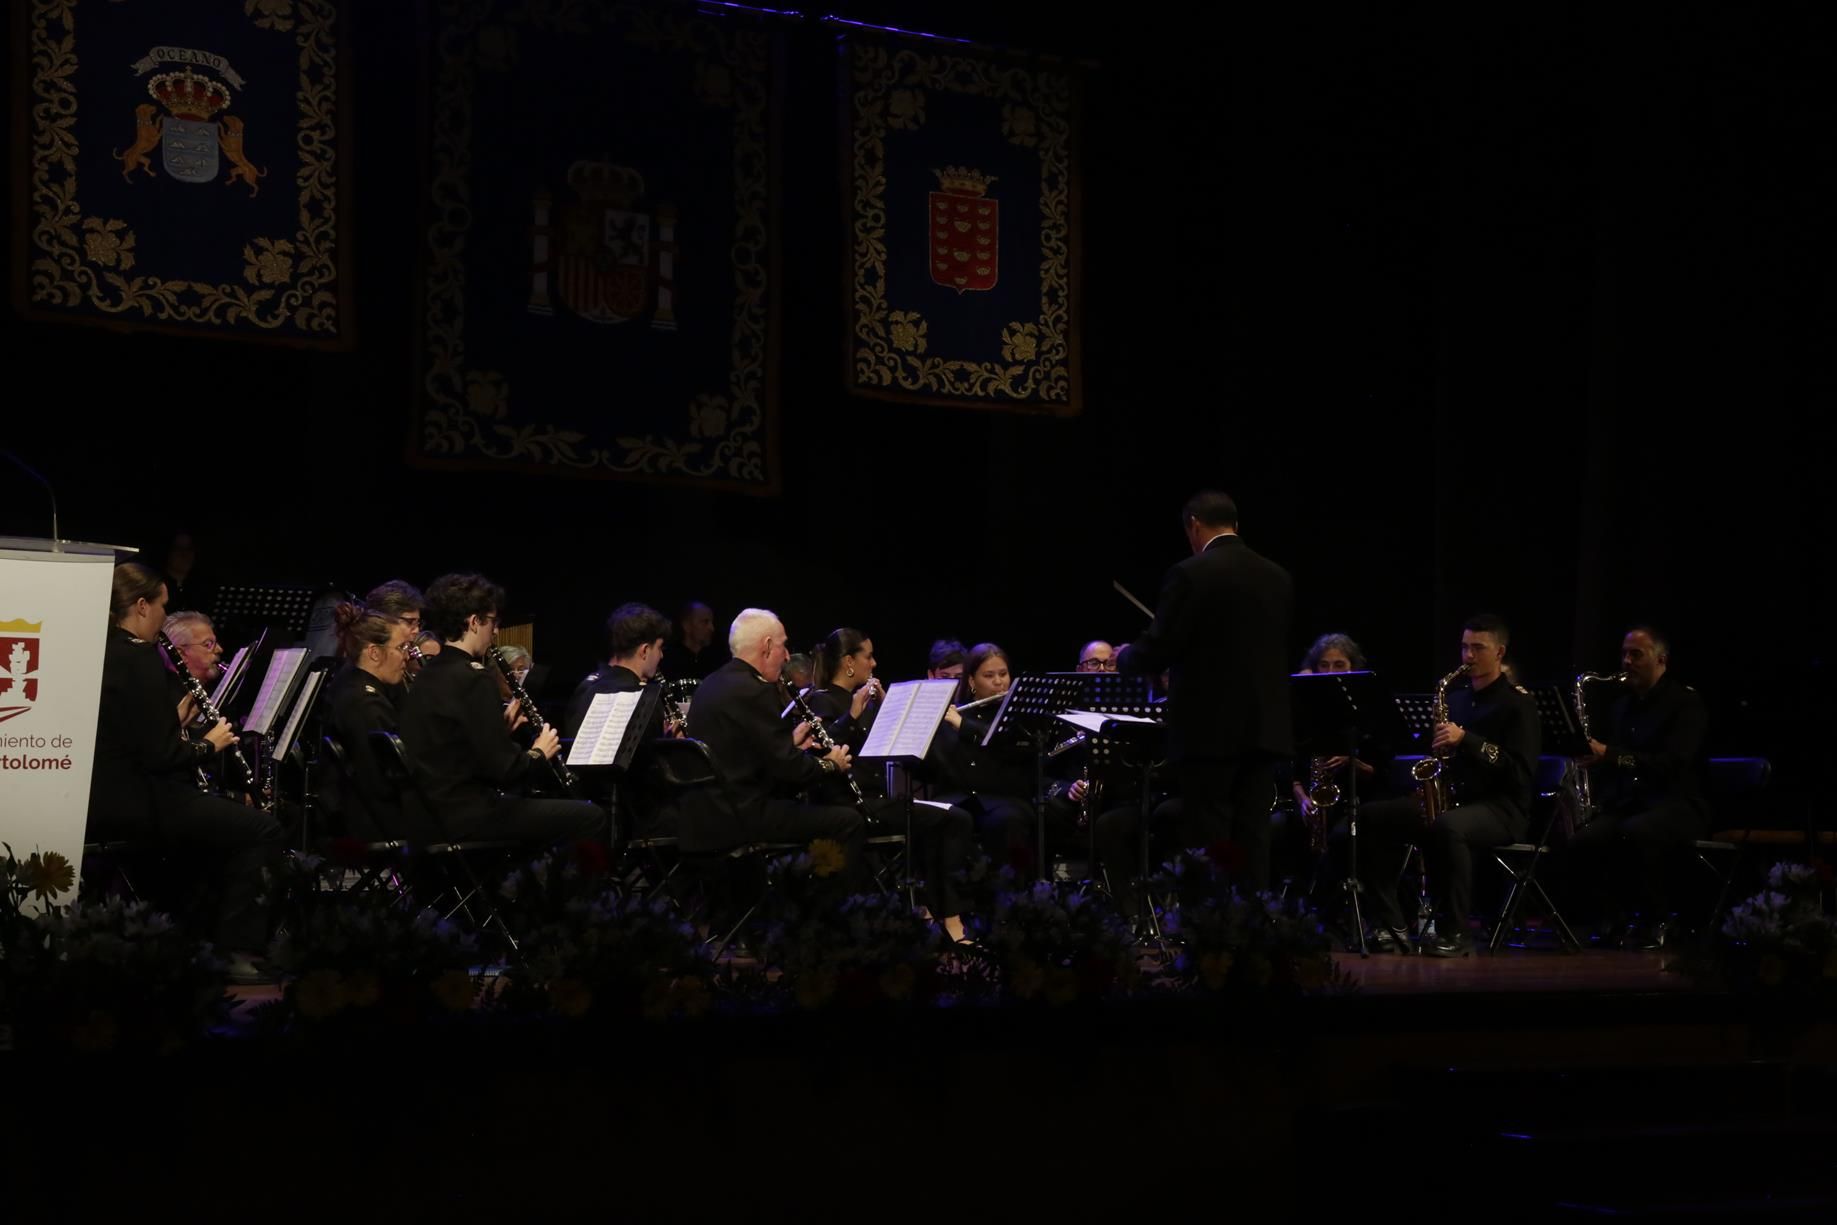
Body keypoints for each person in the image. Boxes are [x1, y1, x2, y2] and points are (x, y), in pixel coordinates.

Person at [86, 563, 282, 982]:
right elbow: (161, 757)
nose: (163, 618)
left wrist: (173, 723)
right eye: (161, 606)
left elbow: (137, 737)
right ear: (141, 606)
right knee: (261, 829)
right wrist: (210, 744)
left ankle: (195, 935)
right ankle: (236, 950)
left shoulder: (105, 651)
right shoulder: (140, 658)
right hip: (142, 798)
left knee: (222, 823)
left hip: (111, 792)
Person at [1117, 490, 1294, 891]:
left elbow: (1162, 644)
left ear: (1194, 525)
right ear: (1236, 525)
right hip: (1265, 727)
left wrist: (1127, 658)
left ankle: (1212, 935)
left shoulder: (1190, 573)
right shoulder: (1277, 576)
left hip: (1208, 731)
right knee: (1253, 834)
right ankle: (1255, 929)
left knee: (1208, 835)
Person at [1357, 615, 1540, 956]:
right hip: (1456, 798)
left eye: (1478, 648)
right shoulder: (1456, 699)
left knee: (1447, 827)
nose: (1468, 656)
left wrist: (1466, 739)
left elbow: (1519, 771)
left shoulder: (1519, 704)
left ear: (1499, 652)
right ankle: (1390, 924)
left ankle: (1456, 931)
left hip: (1502, 808)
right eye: (1464, 647)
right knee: (1372, 817)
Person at [397, 573, 607, 844]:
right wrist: (539, 752)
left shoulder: (426, 674)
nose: (495, 631)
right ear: (474, 622)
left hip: (430, 816)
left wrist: (500, 731)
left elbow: (455, 749)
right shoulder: (474, 677)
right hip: (467, 816)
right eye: (492, 621)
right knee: (591, 817)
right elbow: (505, 771)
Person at [802, 627, 975, 940]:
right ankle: (949, 918)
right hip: (850, 807)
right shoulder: (821, 702)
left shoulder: (865, 703)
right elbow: (821, 759)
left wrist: (888, 708)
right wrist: (852, 716)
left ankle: (934, 911)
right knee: (952, 821)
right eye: (867, 656)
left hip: (878, 800)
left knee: (951, 818)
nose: (874, 663)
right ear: (848, 662)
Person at [683, 609, 865, 879]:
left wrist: (789, 744)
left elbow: (741, 754)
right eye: (783, 646)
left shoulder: (712, 684)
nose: (788, 656)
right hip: (741, 818)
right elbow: (790, 771)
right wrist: (830, 764)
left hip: (703, 818)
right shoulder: (756, 690)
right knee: (848, 822)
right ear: (767, 646)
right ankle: (828, 912)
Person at [1566, 626, 1709, 949]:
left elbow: (1672, 765)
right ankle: (1610, 919)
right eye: (1624, 654)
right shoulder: (1623, 707)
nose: (1627, 661)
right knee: (1583, 840)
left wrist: (1610, 755)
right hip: (1635, 803)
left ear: (1661, 659)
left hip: (1678, 803)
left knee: (1635, 832)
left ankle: (1658, 919)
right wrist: (1597, 763)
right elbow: (1619, 763)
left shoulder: (1685, 703)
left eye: (1636, 654)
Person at [321, 602, 415, 840]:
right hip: (375, 821)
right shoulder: (366, 704)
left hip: (364, 813)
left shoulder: (353, 688)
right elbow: (383, 780)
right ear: (374, 652)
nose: (406, 657)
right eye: (402, 647)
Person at [664, 600, 726, 680]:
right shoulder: (669, 660)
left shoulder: (718, 658)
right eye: (705, 622)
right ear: (687, 626)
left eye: (711, 622)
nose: (712, 628)